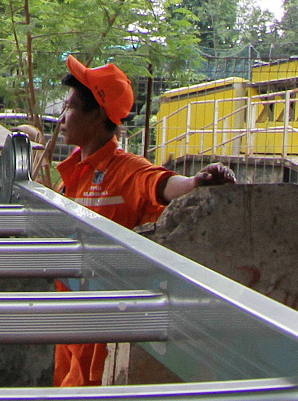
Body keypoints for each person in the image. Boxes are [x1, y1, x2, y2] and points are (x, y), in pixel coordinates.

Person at [53, 56, 235, 387]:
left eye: (70, 107)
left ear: (98, 115)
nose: (62, 117)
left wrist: (195, 183)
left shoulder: (127, 170)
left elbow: (161, 184)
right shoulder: (70, 176)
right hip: (69, 324)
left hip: (104, 332)